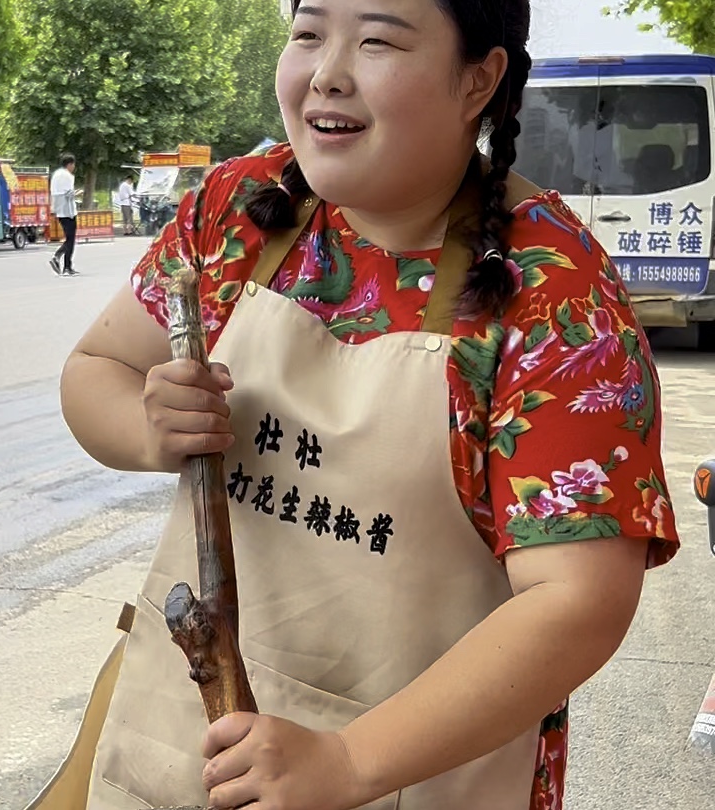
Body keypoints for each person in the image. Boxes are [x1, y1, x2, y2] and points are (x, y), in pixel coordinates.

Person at [56, 1, 679, 809]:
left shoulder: (556, 294)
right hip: (182, 740)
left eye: (377, 40)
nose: (326, 72)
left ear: (479, 80)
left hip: (420, 770)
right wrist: (149, 428)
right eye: (308, 33)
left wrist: (348, 764)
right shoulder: (239, 208)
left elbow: (579, 602)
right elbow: (97, 366)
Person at [50, 153, 80, 276]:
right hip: (69, 211)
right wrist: (78, 193)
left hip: (59, 211)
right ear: (70, 164)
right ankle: (63, 262)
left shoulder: (56, 175)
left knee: (69, 238)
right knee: (70, 239)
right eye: (73, 165)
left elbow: (57, 193)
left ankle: (66, 264)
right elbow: (68, 194)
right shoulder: (68, 176)